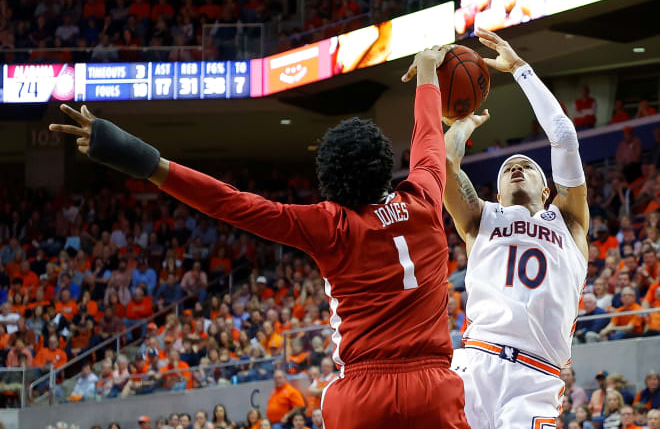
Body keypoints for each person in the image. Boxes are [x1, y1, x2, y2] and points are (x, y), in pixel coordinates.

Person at [50, 45, 470, 429]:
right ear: (383, 162)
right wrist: (429, 73)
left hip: (363, 394)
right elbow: (428, 139)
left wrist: (141, 159)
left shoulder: (327, 224)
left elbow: (230, 203)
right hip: (434, 387)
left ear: (331, 178)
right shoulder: (424, 197)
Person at [443, 27, 590, 428]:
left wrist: (520, 69)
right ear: (498, 189)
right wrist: (461, 124)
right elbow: (442, 168)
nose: (518, 168)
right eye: (509, 168)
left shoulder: (569, 221)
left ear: (548, 190)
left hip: (535, 379)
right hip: (475, 363)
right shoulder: (480, 218)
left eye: (528, 167)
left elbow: (563, 137)